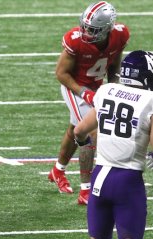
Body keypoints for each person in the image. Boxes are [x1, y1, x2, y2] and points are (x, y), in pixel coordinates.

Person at [74, 50, 153, 239]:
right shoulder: (150, 99)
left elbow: (80, 130)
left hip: (100, 178)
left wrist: (85, 144)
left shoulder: (106, 91)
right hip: (127, 180)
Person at [47, 1, 129, 205]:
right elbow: (61, 74)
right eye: (84, 26)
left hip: (96, 87)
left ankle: (57, 170)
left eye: (92, 30)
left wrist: (114, 86)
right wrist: (85, 93)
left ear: (107, 29)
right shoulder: (75, 40)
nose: (86, 32)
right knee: (91, 133)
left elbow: (114, 61)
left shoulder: (119, 35)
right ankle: (86, 190)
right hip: (74, 86)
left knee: (76, 128)